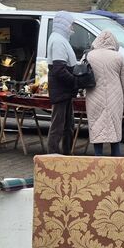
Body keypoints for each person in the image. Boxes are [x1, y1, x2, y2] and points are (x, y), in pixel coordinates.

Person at [84, 28, 124, 157]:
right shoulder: (118, 57)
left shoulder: (89, 55)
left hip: (94, 96)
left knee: (96, 127)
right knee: (114, 128)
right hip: (115, 98)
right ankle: (116, 161)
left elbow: (83, 75)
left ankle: (98, 160)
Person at [45, 12, 78, 155]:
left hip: (64, 90)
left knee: (67, 125)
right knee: (58, 126)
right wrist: (75, 81)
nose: (72, 28)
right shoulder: (58, 41)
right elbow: (59, 69)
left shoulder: (60, 39)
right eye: (71, 24)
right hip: (61, 90)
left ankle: (66, 154)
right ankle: (53, 155)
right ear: (64, 24)